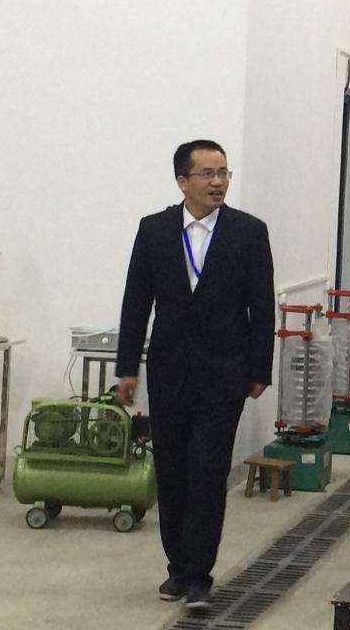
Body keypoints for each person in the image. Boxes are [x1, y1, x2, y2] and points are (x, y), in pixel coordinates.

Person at [115, 140, 275, 609]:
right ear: (182, 181)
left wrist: (259, 368)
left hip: (225, 373)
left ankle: (199, 575)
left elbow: (262, 305)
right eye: (207, 174)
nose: (218, 182)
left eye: (224, 173)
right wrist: (127, 367)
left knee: (207, 471)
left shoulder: (248, 232)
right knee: (172, 471)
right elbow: (136, 302)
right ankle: (178, 568)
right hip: (170, 371)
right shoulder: (154, 230)